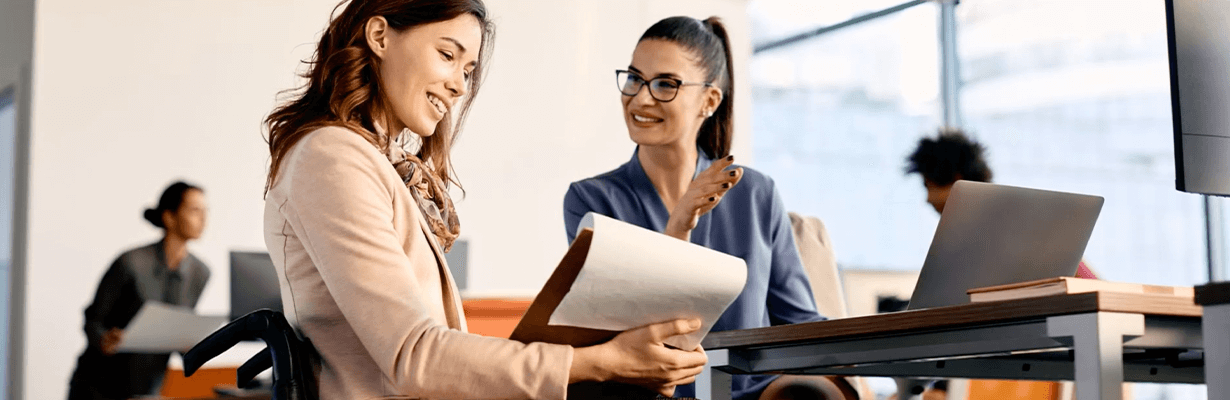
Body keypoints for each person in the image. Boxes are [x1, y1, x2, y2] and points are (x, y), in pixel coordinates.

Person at [261, 1, 707, 399]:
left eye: (468, 69)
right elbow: (414, 357)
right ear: (380, 36)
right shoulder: (332, 157)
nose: (459, 85)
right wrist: (604, 363)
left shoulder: (372, 161)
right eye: (447, 55)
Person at [563, 16, 856, 400]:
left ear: (710, 101)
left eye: (666, 84)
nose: (641, 97)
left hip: (755, 392)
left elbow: (799, 321)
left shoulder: (756, 193)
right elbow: (618, 344)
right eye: (634, 78)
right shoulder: (592, 201)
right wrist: (678, 229)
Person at [68, 181, 211, 400]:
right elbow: (93, 321)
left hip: (146, 387)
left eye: (205, 211)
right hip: (98, 386)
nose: (203, 219)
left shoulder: (200, 273)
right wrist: (104, 338)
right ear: (169, 217)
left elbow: (174, 329)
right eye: (194, 210)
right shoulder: (130, 263)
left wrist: (189, 344)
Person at [904, 128, 1097, 279]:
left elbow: (1089, 286)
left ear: (957, 180)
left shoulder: (1018, 225)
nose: (928, 199)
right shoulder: (965, 241)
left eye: (931, 186)